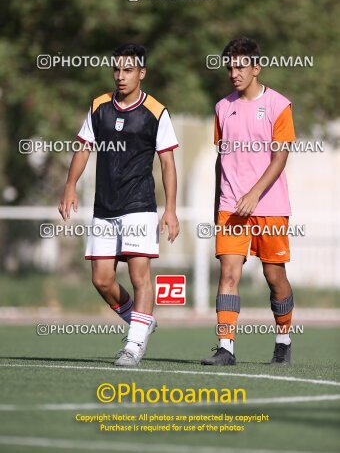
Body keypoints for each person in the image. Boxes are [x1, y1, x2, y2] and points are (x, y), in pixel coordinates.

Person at [58, 43, 180, 366]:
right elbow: (83, 149)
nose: (120, 76)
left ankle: (134, 345)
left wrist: (170, 209)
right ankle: (141, 322)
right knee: (101, 279)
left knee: (141, 275)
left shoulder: (156, 112)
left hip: (139, 204)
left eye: (128, 70)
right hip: (105, 207)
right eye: (117, 69)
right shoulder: (99, 106)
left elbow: (167, 163)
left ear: (142, 73)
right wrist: (69, 186)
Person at [202, 37, 296, 366]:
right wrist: (218, 204)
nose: (234, 73)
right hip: (230, 207)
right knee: (228, 273)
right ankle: (225, 347)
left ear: (256, 68)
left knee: (274, 276)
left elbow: (280, 157)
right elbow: (221, 159)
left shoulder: (278, 105)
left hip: (269, 207)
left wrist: (255, 193)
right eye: (230, 67)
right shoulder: (221, 108)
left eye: (240, 66)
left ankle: (283, 340)